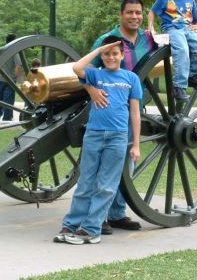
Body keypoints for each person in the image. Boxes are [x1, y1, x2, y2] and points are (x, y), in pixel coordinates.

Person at [54, 36, 142, 245]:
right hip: (93, 134)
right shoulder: (95, 74)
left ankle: (92, 229)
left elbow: (135, 113)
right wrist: (100, 48)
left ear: (122, 55)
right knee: (85, 182)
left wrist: (136, 144)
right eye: (107, 54)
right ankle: (72, 225)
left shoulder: (131, 78)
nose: (111, 57)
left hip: (118, 136)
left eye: (115, 53)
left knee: (106, 185)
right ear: (102, 56)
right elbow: (77, 67)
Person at [85, 0, 156, 235]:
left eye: (138, 13)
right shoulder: (108, 40)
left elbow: (171, 49)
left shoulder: (149, 39)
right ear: (121, 15)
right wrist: (92, 90)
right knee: (107, 166)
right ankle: (100, 216)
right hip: (109, 108)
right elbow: (86, 68)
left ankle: (116, 213)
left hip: (133, 104)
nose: (134, 17)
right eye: (130, 13)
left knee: (128, 163)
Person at [0, 34, 22, 121]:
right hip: (9, 80)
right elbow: (18, 66)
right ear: (14, 41)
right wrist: (16, 78)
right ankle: (7, 118)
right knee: (8, 101)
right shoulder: (14, 52)